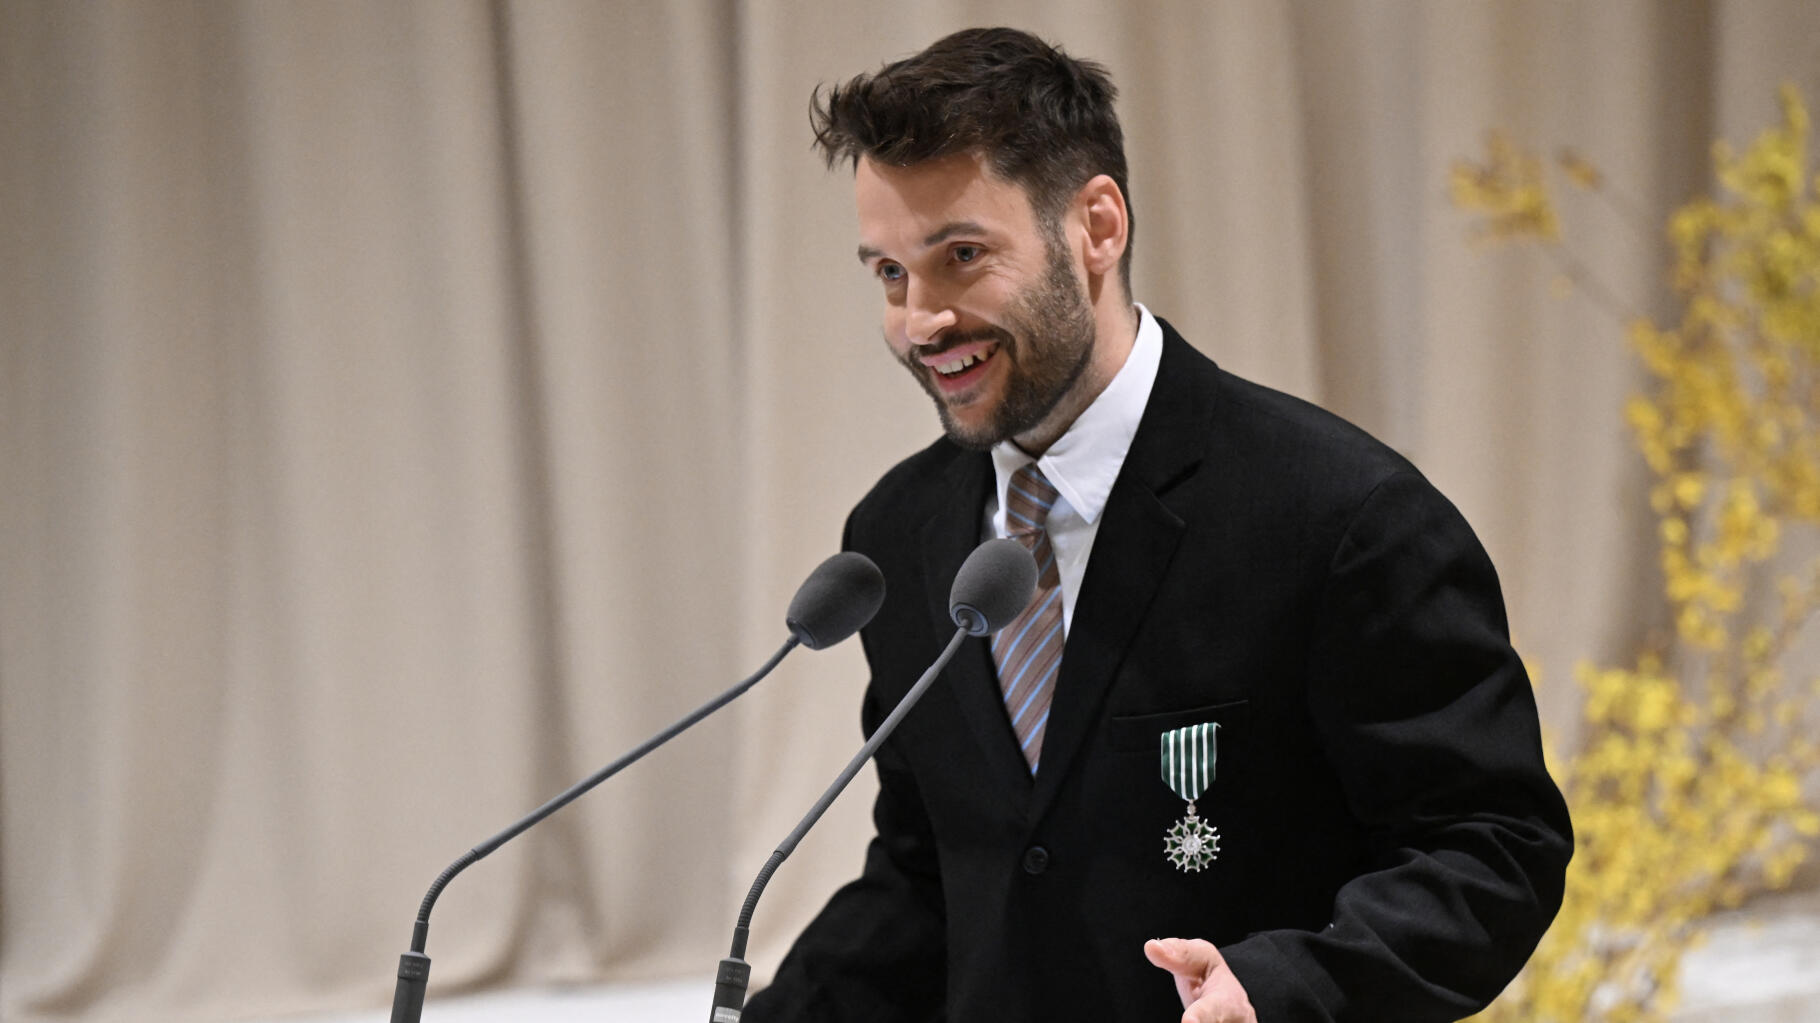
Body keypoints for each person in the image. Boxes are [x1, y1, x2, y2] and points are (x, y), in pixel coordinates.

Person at [743, 27, 1572, 1023]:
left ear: (1095, 225)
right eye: (887, 274)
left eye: (960, 256)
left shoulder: (1338, 515)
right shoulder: (899, 532)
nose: (921, 319)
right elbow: (935, 877)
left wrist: (1283, 986)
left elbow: (1488, 846)